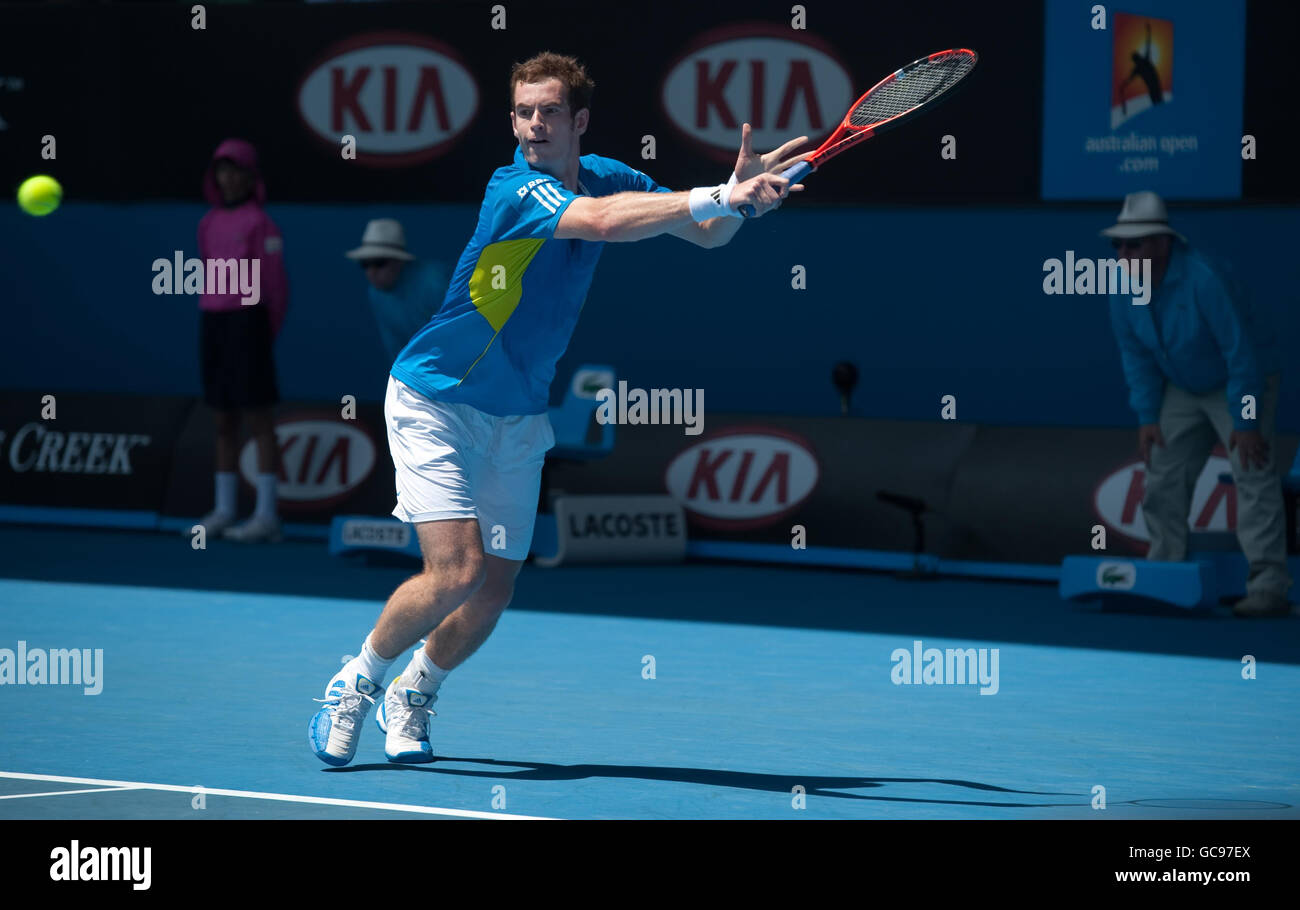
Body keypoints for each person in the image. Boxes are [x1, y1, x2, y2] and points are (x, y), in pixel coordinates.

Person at [309, 51, 807, 765]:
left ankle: (414, 692)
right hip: (436, 398)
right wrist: (720, 197)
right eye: (521, 111)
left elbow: (704, 232)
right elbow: (603, 225)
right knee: (456, 570)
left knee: (495, 586)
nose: (532, 125)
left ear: (579, 121)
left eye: (547, 112)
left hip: (518, 414)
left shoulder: (610, 174)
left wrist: (739, 198)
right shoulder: (514, 189)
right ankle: (356, 682)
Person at [1104, 190, 1290, 618]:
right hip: (1183, 387)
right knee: (1162, 472)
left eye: (1134, 243)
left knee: (1252, 470)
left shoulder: (1204, 278)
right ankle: (1162, 576)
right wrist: (1148, 416)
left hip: (1241, 381)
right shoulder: (1120, 286)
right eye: (1118, 244)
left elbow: (1241, 354)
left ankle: (1268, 589)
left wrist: (1246, 421)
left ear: (1163, 242)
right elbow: (1135, 356)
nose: (1124, 252)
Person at [193, 138, 289, 544]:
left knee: (259, 420)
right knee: (223, 421)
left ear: (250, 177)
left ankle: (267, 516)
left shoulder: (262, 224)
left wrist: (261, 332)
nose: (228, 178)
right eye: (222, 170)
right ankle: (224, 510)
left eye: (235, 170)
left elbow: (276, 285)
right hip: (213, 323)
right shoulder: (207, 224)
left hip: (249, 324)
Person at [344, 219, 448, 363]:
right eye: (365, 264)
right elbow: (397, 351)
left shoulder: (435, 281)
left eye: (379, 262)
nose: (371, 272)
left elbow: (464, 332)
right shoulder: (376, 293)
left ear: (399, 261)